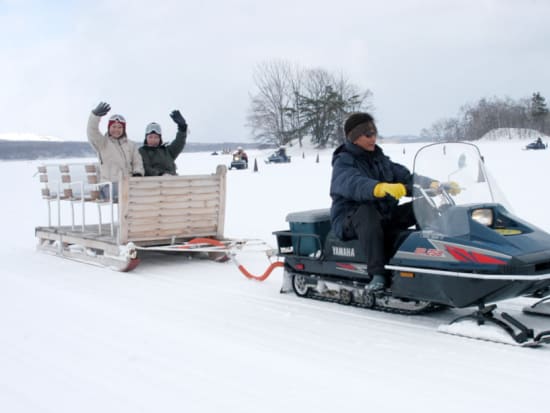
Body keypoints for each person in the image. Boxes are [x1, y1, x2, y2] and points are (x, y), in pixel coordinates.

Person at [330, 112, 444, 292]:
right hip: (350, 220)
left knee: (422, 205)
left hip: (383, 215)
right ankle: (377, 274)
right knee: (367, 211)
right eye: (368, 135)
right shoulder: (343, 161)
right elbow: (351, 182)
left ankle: (435, 254)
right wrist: (379, 188)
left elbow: (405, 176)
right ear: (354, 137)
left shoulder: (379, 159)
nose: (373, 138)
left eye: (374, 134)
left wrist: (433, 184)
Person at [87, 102, 144, 201]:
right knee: (122, 196)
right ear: (109, 128)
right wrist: (95, 116)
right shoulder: (102, 143)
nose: (116, 130)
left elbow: (137, 162)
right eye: (113, 127)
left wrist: (138, 172)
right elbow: (92, 131)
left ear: (124, 129)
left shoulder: (131, 145)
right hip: (110, 185)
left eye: (119, 127)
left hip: (128, 183)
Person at [139, 110, 188, 176]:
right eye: (150, 137)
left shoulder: (167, 151)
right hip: (153, 183)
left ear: (160, 138)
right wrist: (161, 175)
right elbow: (146, 168)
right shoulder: (142, 151)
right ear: (146, 138)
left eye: (156, 137)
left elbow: (179, 142)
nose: (153, 140)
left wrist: (182, 128)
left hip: (172, 182)